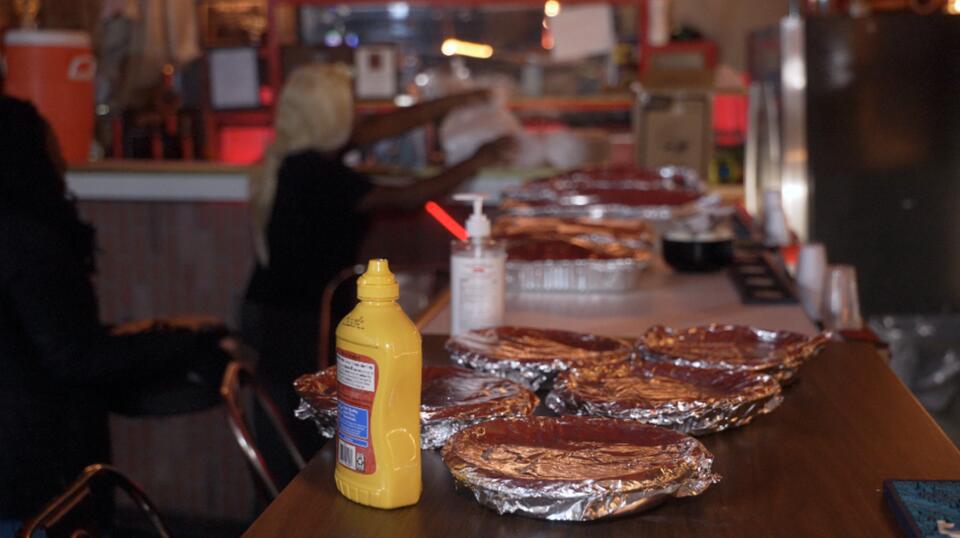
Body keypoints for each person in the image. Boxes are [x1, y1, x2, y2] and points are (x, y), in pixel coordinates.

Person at [241, 64, 513, 476]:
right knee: (295, 435)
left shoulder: (301, 155)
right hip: (295, 321)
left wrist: (452, 103)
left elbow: (383, 128)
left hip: (278, 309)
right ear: (332, 118)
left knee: (294, 426)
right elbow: (409, 197)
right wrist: (479, 159)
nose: (357, 117)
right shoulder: (318, 174)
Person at [0, 95, 229, 535]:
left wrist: (149, 333)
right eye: (50, 143)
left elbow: (38, 337)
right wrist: (183, 343)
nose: (61, 156)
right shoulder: (28, 241)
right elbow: (73, 356)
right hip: (36, 475)